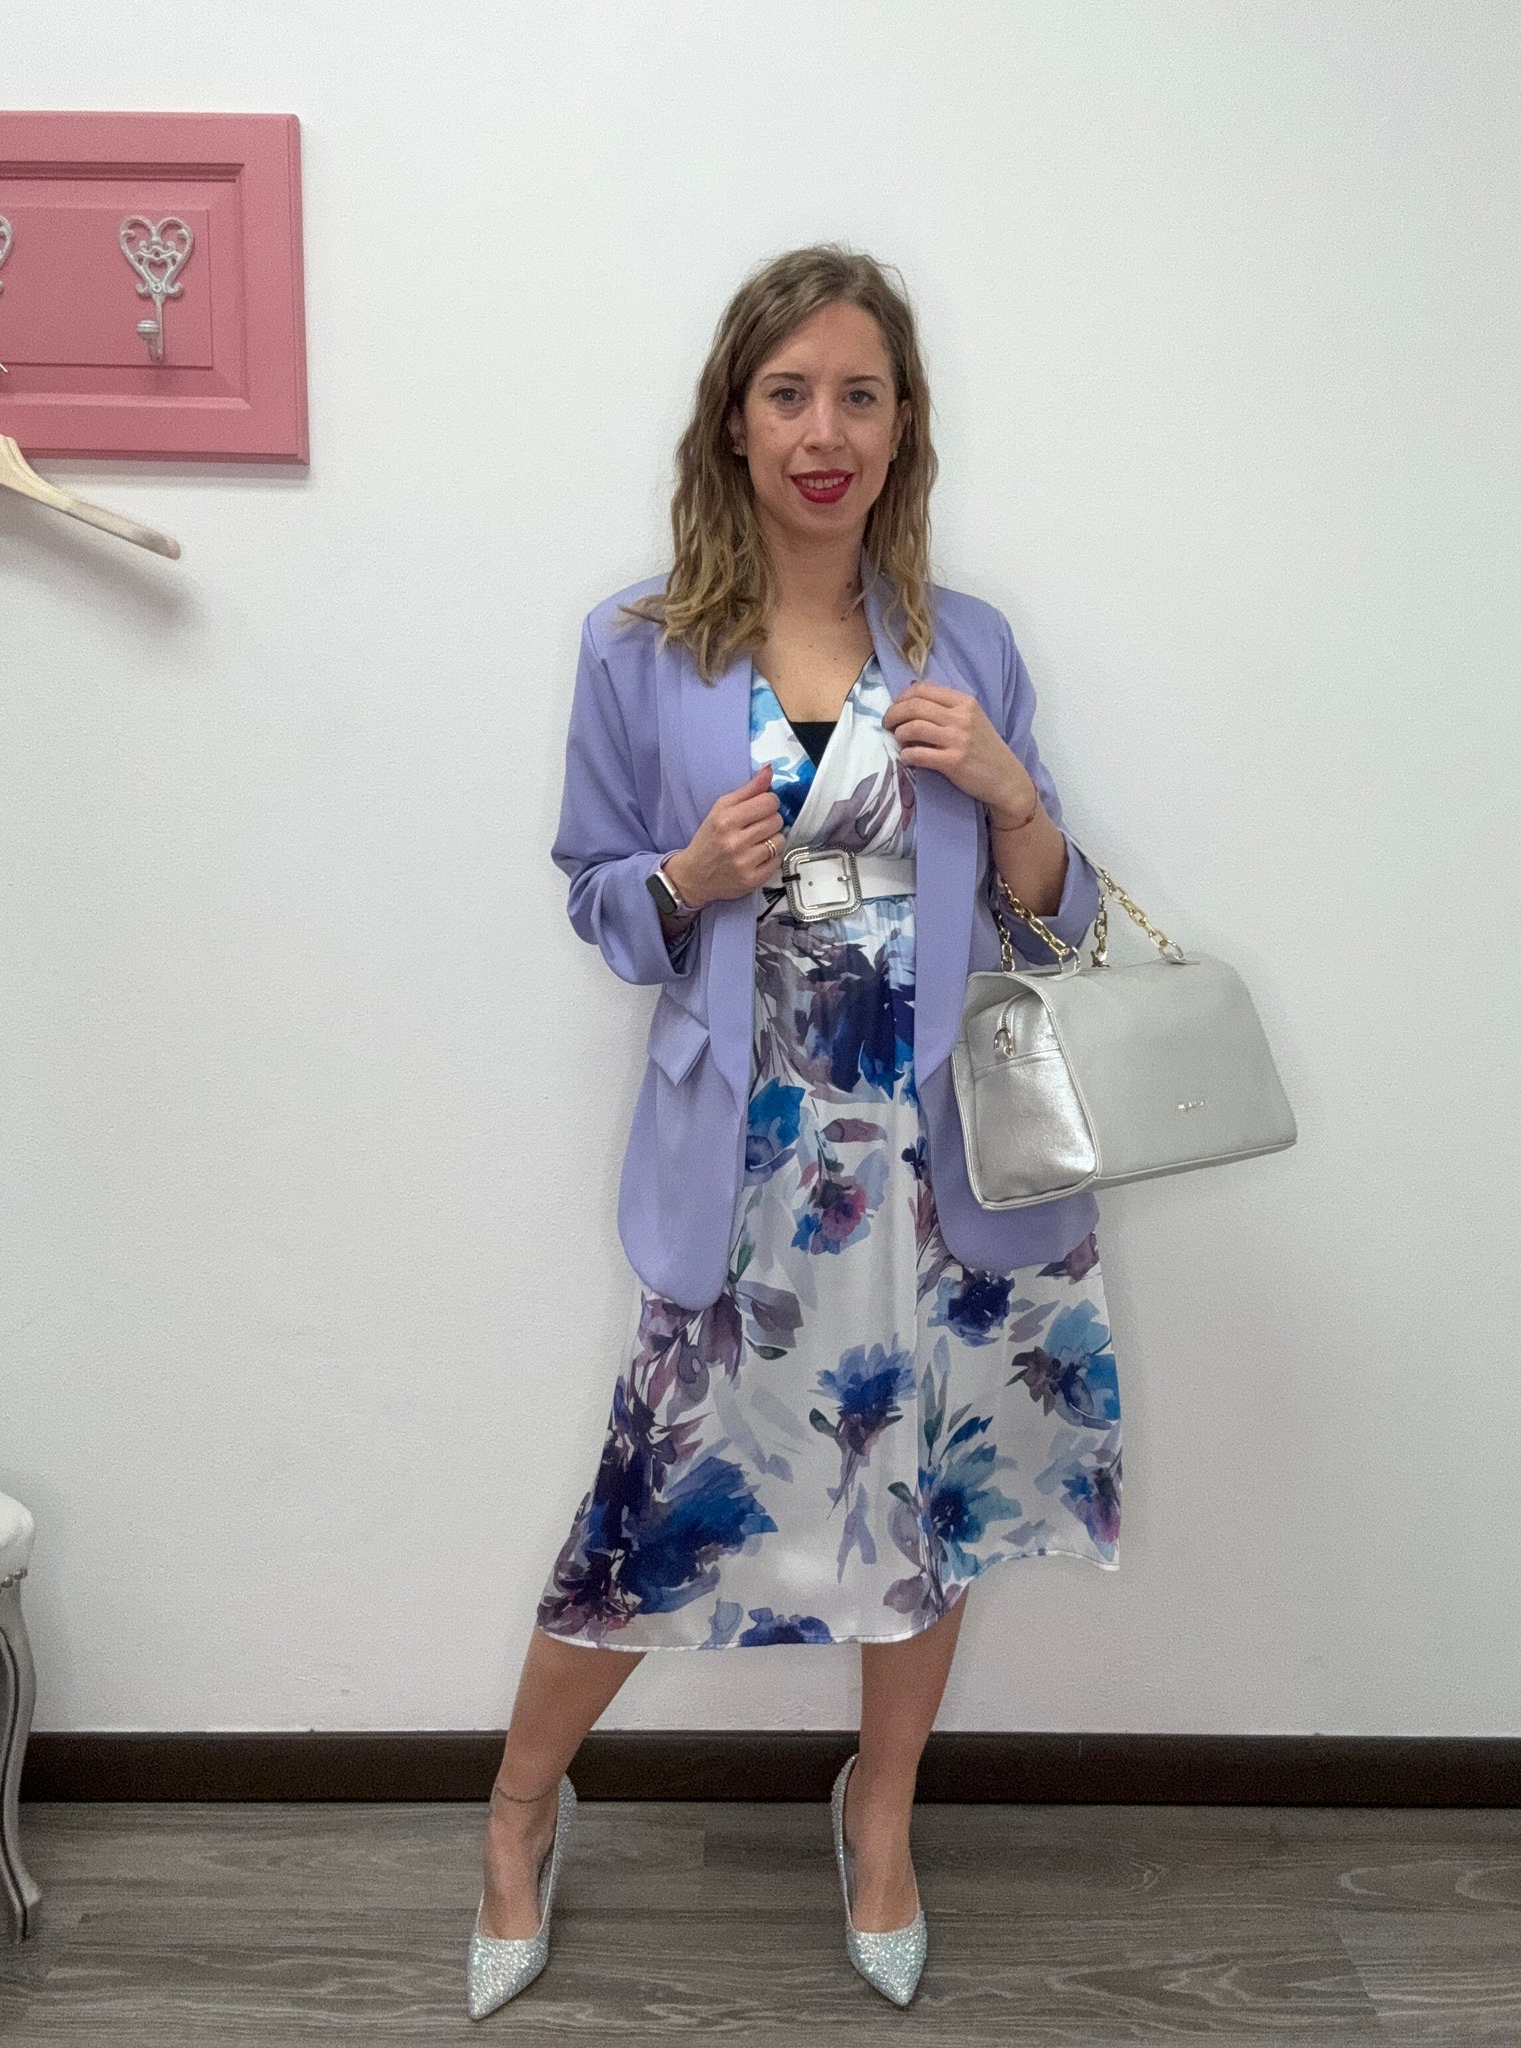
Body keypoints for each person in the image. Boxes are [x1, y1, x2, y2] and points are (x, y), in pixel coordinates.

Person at [468, 243, 1123, 2019]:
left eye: (859, 396)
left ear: (904, 427)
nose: (824, 432)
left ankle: (880, 1813)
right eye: (789, 395)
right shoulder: (640, 646)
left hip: (949, 1164)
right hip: (756, 1169)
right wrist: (684, 875)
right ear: (736, 423)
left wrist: (1014, 795)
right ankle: (519, 1807)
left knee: (936, 1496)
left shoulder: (970, 644)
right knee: (652, 1503)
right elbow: (598, 900)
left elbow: (1051, 925)